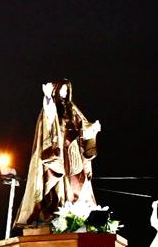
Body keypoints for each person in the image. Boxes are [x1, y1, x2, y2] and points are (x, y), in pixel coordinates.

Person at [15, 80, 101, 227]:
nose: (64, 93)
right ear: (55, 90)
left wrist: (92, 129)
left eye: (66, 91)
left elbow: (83, 126)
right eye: (61, 90)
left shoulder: (72, 109)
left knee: (78, 183)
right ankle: (56, 215)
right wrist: (47, 97)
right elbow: (49, 118)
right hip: (58, 154)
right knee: (57, 185)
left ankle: (79, 215)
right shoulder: (52, 108)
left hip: (73, 153)